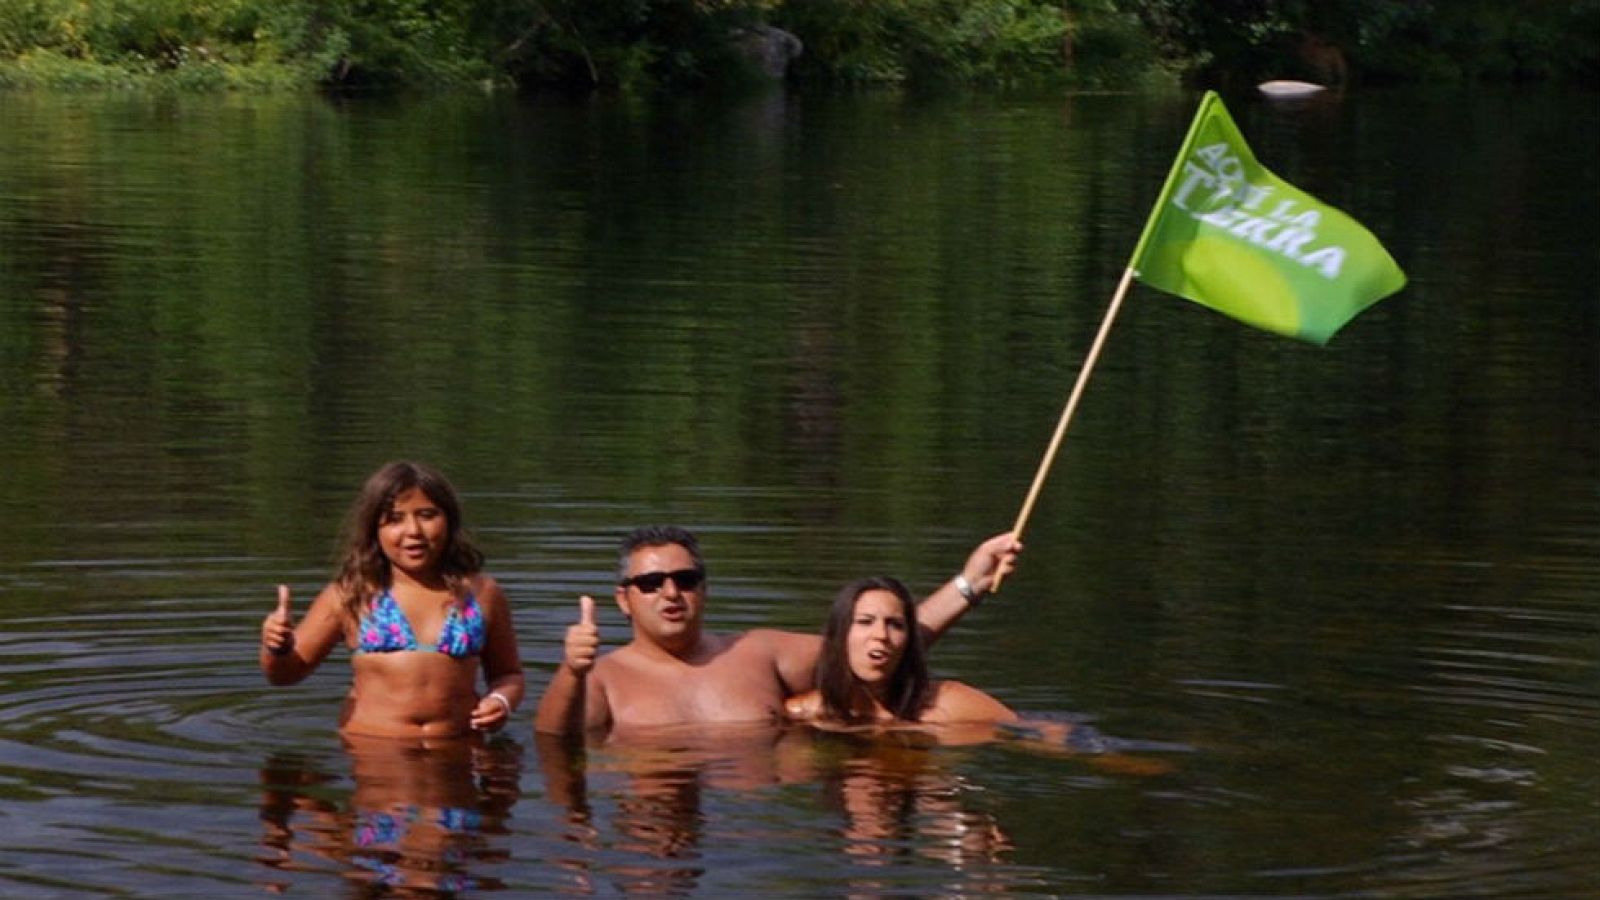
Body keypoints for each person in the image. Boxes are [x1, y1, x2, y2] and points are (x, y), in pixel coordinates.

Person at [535, 525, 1020, 740]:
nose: (670, 593)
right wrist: (572, 671)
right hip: (650, 816)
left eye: (685, 580)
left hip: (750, 831)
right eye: (650, 583)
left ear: (703, 589)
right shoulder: (602, 677)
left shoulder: (757, 651)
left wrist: (969, 584)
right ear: (624, 598)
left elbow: (873, 650)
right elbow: (555, 741)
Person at [259, 461, 524, 738]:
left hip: (457, 753)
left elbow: (509, 674)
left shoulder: (482, 593)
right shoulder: (351, 595)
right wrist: (276, 648)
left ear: (449, 520)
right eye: (395, 519)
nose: (413, 531)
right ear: (374, 529)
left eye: (427, 514)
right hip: (374, 754)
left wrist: (501, 701)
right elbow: (284, 675)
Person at [783, 576, 1017, 729]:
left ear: (908, 642)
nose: (881, 635)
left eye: (895, 624)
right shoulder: (803, 713)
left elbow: (1031, 733)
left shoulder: (947, 703)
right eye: (865, 622)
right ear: (839, 636)